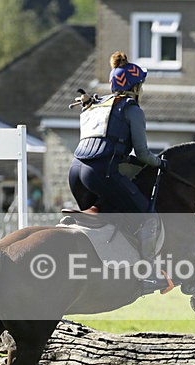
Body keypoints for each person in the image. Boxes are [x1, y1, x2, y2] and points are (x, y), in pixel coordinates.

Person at [68, 50, 166, 260]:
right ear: (135, 86)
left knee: (112, 217)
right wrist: (162, 163)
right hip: (100, 174)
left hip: (75, 174)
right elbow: (142, 154)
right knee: (149, 217)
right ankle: (148, 272)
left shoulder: (95, 103)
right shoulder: (133, 110)